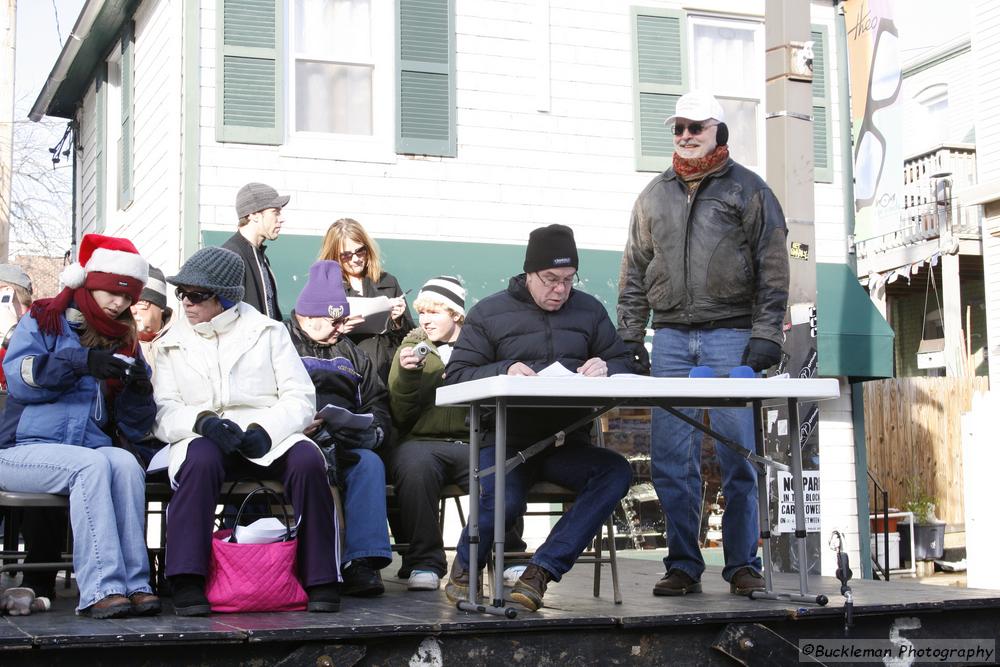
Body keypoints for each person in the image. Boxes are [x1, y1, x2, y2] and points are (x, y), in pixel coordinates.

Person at [617, 90, 789, 597]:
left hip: (733, 338)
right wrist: (629, 337)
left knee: (739, 457)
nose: (686, 135)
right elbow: (633, 273)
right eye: (679, 128)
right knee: (672, 461)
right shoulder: (651, 196)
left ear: (720, 132)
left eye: (697, 126)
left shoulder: (750, 190)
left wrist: (765, 336)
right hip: (668, 338)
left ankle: (741, 565)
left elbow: (773, 268)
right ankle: (683, 565)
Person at [443, 224, 633, 612]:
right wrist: (503, 370)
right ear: (528, 273)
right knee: (505, 499)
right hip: (506, 441)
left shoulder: (589, 310)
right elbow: (457, 375)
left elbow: (627, 361)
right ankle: (464, 569)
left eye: (568, 280)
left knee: (617, 471)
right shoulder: (489, 313)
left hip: (568, 444)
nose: (560, 290)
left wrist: (607, 366)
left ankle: (540, 572)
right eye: (550, 279)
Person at [152, 246, 340, 616]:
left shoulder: (268, 333)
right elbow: (163, 411)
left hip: (268, 433)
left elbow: (300, 396)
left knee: (307, 461)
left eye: (196, 295)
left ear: (224, 298)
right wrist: (203, 422)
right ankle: (186, 580)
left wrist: (266, 431)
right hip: (203, 434)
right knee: (199, 460)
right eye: (181, 293)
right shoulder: (170, 344)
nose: (186, 303)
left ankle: (321, 579)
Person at [0, 234, 160, 619]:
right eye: (111, 292)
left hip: (86, 447)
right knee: (89, 466)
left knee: (124, 464)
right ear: (89, 282)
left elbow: (134, 424)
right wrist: (80, 363)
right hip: (21, 449)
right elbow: (19, 378)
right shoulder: (43, 318)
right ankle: (101, 588)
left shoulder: (124, 337)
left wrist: (138, 388)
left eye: (127, 297)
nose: (119, 303)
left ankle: (134, 584)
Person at [387, 276, 526, 592]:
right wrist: (408, 377)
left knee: (502, 466)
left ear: (456, 314)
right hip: (424, 441)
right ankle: (425, 562)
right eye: (422, 312)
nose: (425, 320)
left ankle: (511, 553)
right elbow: (400, 412)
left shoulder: (482, 347)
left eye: (435, 312)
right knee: (413, 465)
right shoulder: (411, 347)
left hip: (474, 439)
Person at [285, 260, 393, 598]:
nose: (340, 328)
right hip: (294, 439)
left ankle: (361, 562)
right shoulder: (280, 342)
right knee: (313, 461)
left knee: (369, 462)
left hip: (346, 437)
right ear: (308, 316)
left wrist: (371, 429)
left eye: (343, 320)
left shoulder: (351, 352)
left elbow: (377, 402)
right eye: (335, 320)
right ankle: (310, 562)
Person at [319, 218, 414, 383]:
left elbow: (410, 336)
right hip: (346, 371)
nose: (355, 259)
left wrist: (398, 321)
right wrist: (338, 329)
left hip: (388, 371)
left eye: (360, 251)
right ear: (334, 256)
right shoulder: (326, 287)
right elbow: (313, 338)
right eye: (346, 255)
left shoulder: (387, 281)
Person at [222, 182, 289, 320]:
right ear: (253, 214)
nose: (281, 219)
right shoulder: (231, 256)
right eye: (275, 212)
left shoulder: (260, 256)